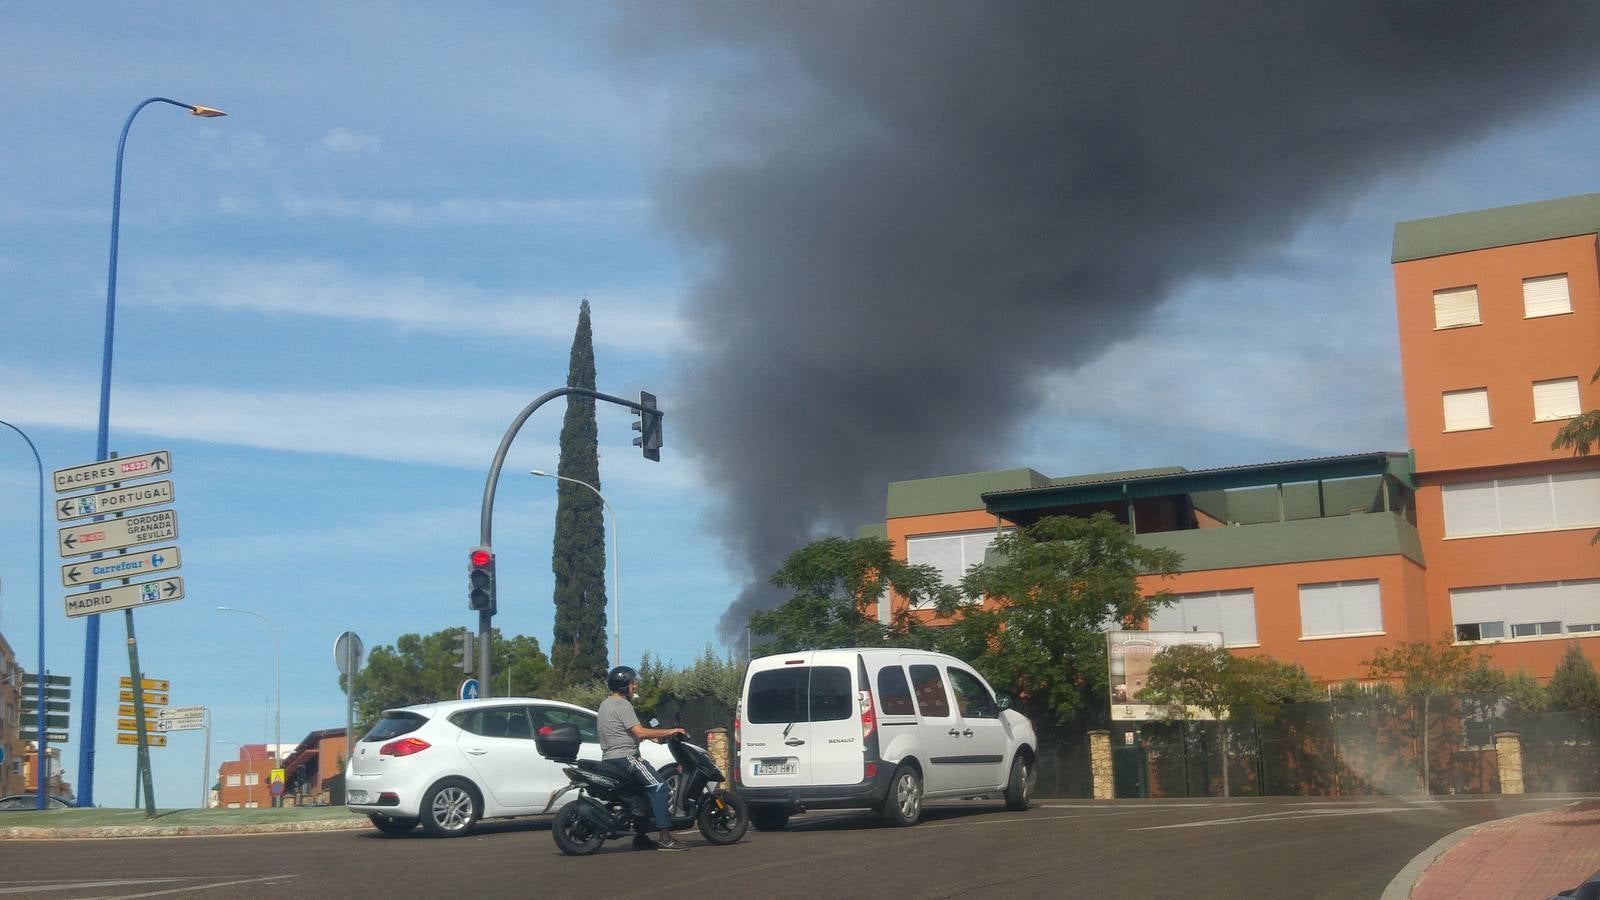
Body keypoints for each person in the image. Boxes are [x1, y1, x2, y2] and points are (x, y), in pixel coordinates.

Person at [598, 665, 690, 851]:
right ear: (623, 685)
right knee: (658, 786)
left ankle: (641, 838)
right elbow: (639, 732)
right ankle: (665, 838)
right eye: (632, 683)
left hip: (610, 758)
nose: (635, 686)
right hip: (626, 757)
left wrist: (655, 736)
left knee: (639, 794)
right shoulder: (623, 704)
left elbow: (623, 731)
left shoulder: (605, 703)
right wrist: (671, 731)